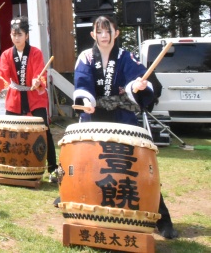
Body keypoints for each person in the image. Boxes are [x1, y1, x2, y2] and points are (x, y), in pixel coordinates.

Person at [73, 15, 178, 239]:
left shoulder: (125, 56)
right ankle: (87, 209)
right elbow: (82, 83)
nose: (103, 36)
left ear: (116, 33)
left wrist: (137, 86)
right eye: (99, 32)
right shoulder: (85, 57)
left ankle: (162, 217)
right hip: (96, 120)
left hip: (122, 118)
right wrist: (86, 102)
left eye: (107, 31)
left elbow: (137, 78)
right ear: (93, 34)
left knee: (136, 169)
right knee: (91, 167)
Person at [0, 16, 57, 182]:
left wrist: (37, 80)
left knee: (44, 132)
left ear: (26, 35)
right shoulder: (6, 54)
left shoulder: (35, 53)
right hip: (15, 98)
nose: (16, 37)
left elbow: (40, 72)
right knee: (10, 133)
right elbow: (2, 72)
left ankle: (53, 169)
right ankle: (13, 166)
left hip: (34, 97)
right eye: (14, 34)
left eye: (20, 34)